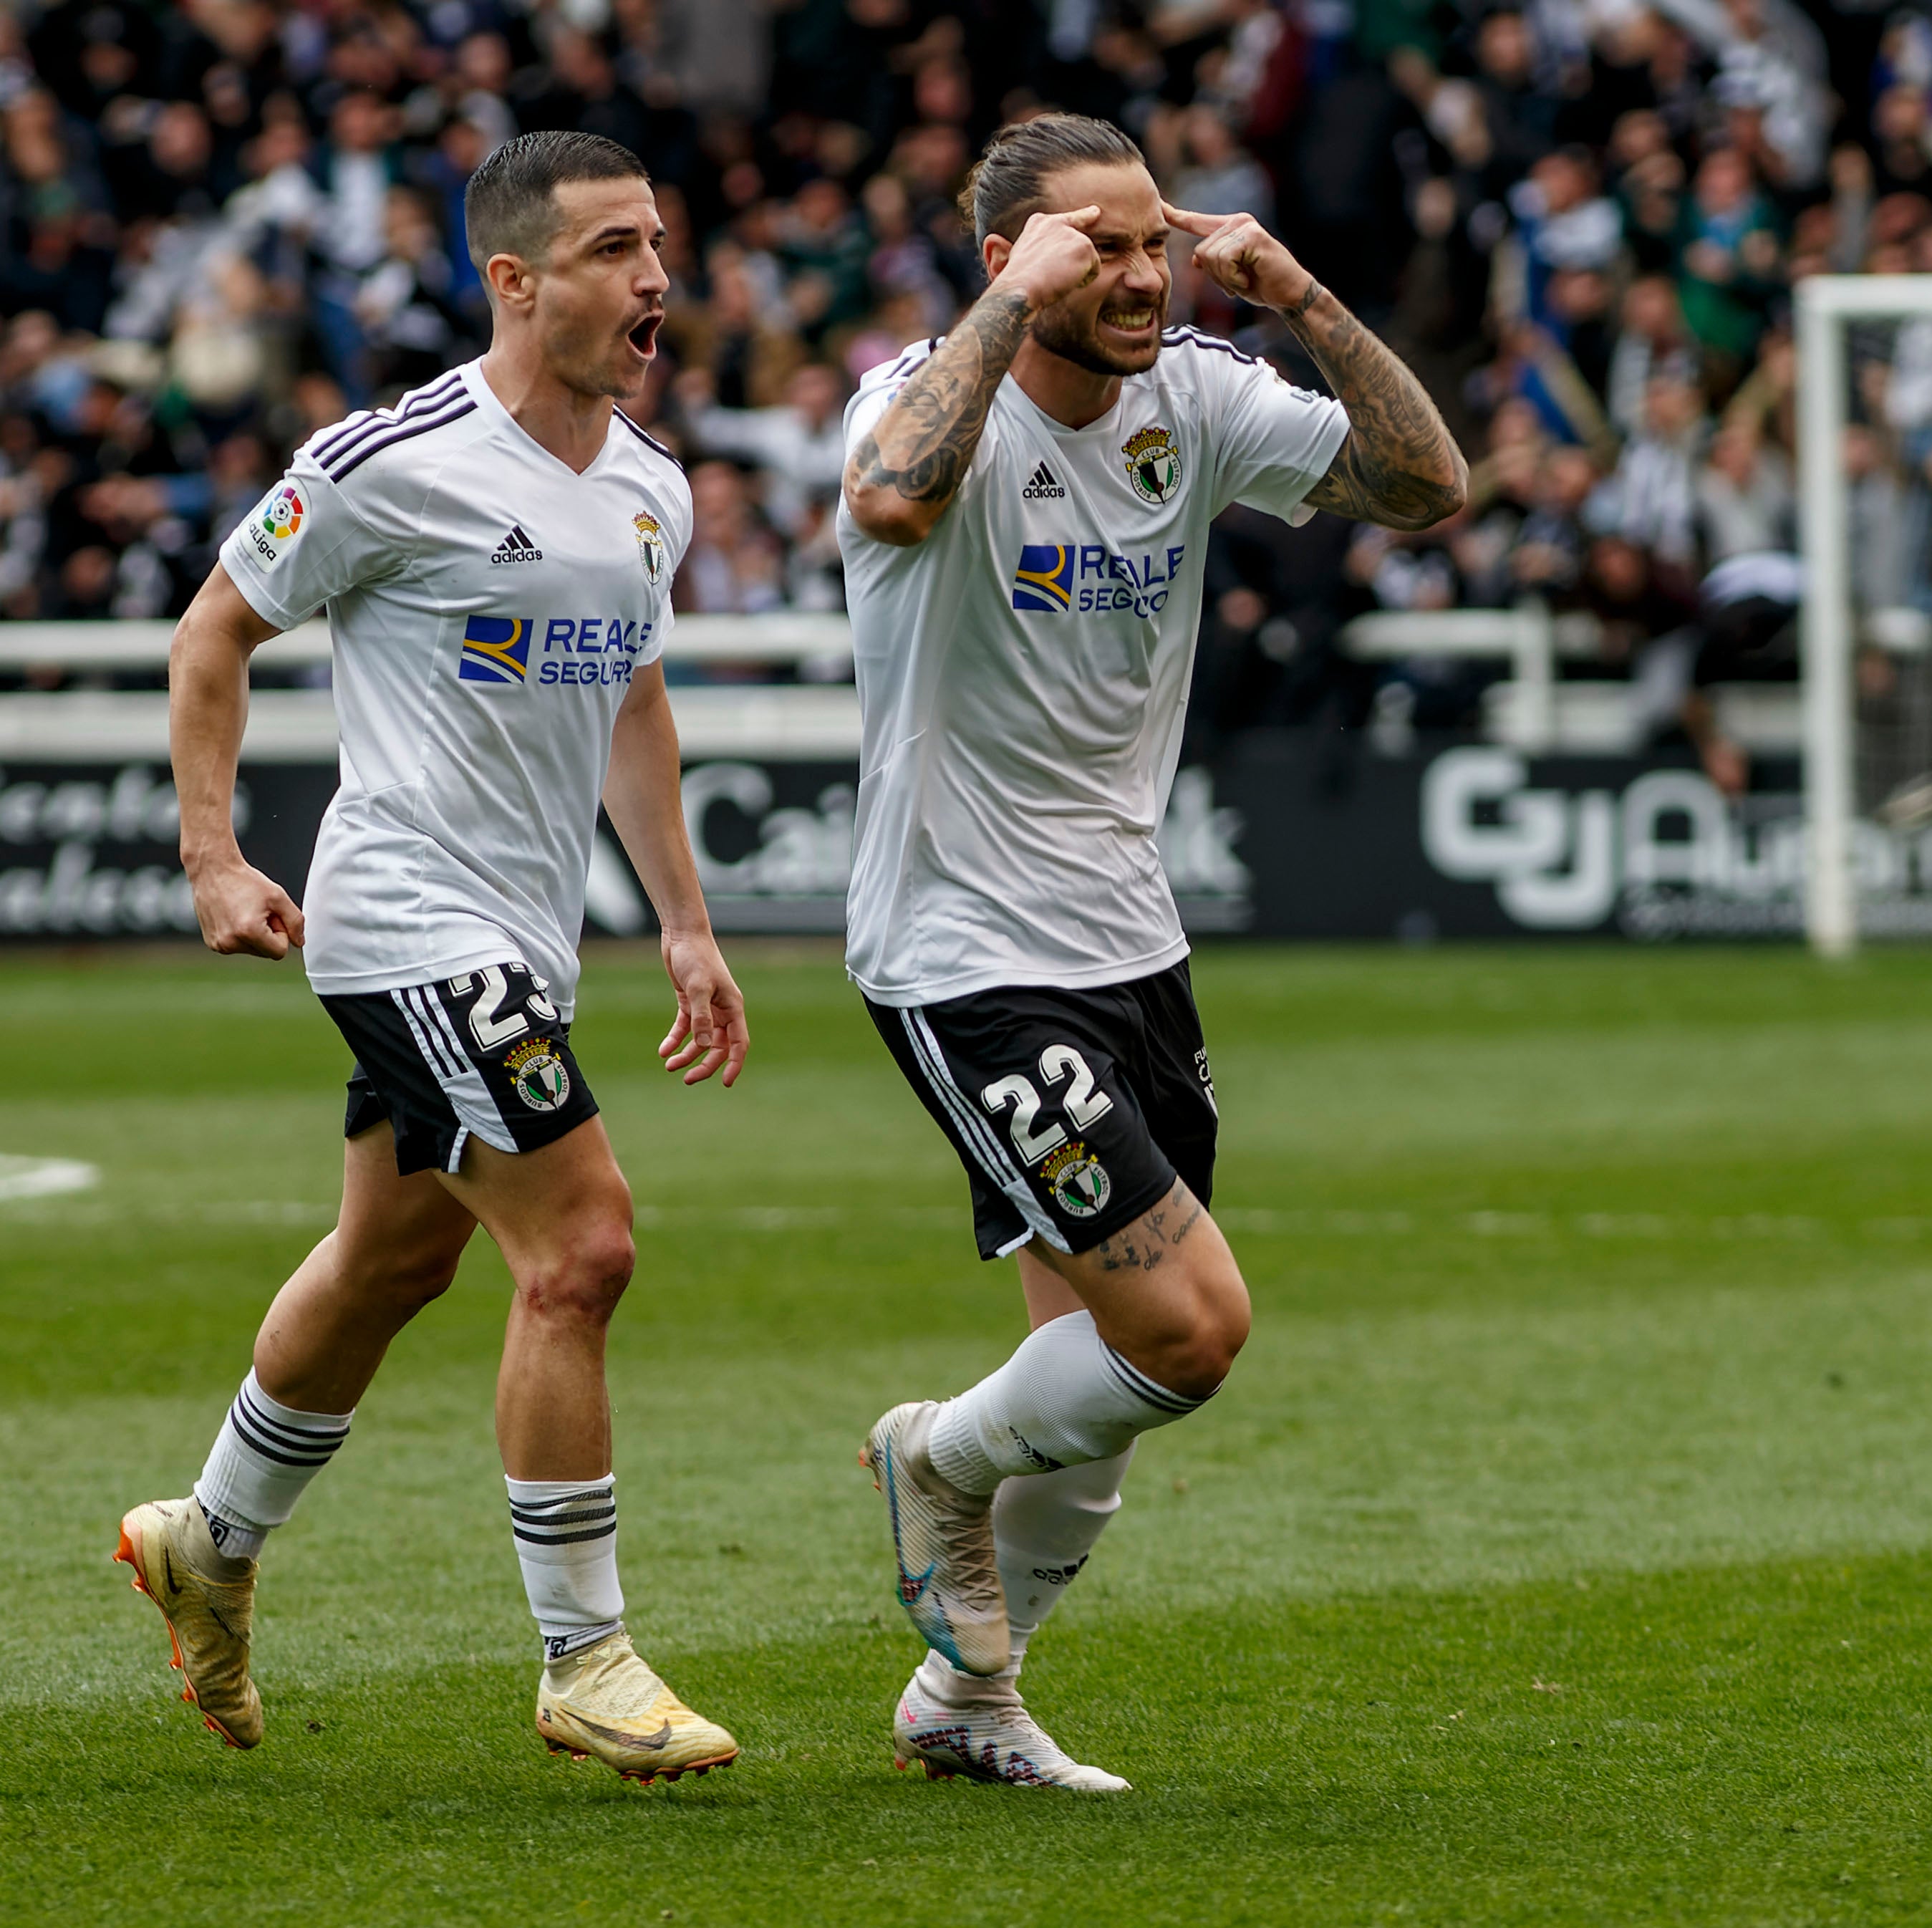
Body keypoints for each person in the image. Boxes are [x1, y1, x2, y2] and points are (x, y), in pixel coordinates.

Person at [835, 112, 1465, 1791]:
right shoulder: (916, 395)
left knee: (1099, 1367)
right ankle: (931, 1462)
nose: (1134, 272)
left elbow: (1426, 490)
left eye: (1148, 240)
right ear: (1005, 260)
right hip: (962, 941)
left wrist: (1304, 295)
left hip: (1130, 936)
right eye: (1090, 246)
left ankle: (967, 1707)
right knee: (1188, 1327)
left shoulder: (1194, 394)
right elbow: (892, 500)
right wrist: (996, 314)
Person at [115, 131, 751, 1785]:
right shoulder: (393, 460)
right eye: (615, 250)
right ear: (517, 282)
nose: (654, 279)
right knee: (583, 1244)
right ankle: (582, 1651)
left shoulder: (648, 486)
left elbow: (632, 700)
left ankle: (209, 1534)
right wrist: (211, 856)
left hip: (528, 938)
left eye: (660, 245)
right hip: (402, 915)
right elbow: (213, 633)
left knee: (393, 1261)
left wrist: (682, 919)